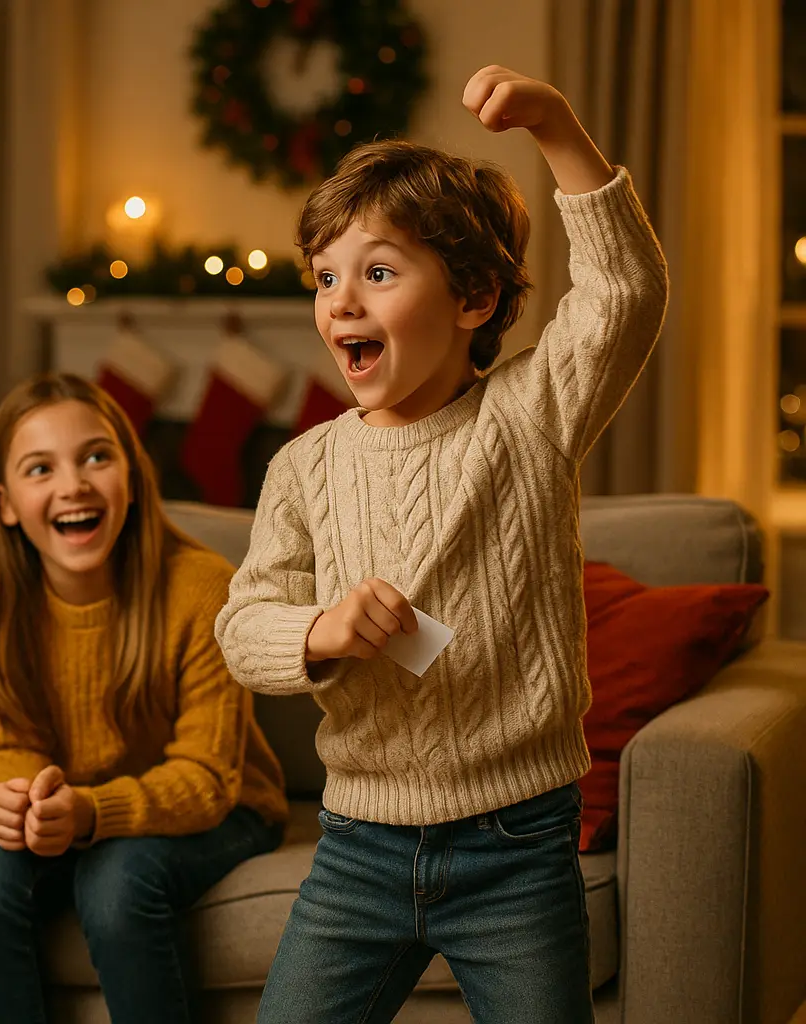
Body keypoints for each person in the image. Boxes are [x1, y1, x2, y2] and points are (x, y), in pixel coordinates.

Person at [215, 67, 669, 1023]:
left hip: (516, 846)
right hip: (358, 846)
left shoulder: (531, 417)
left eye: (378, 273)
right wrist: (318, 631)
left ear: (474, 298)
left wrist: (556, 127)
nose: (341, 301)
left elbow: (624, 291)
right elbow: (242, 627)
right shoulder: (303, 465)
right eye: (325, 277)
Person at [0, 373, 290, 1024]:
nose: (73, 485)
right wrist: (23, 798)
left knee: (115, 882)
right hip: (68, 806)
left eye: (96, 457)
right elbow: (0, 742)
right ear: (6, 505)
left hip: (223, 808)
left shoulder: (201, 587)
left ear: (131, 476)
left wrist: (89, 812)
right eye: (40, 468)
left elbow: (208, 778)